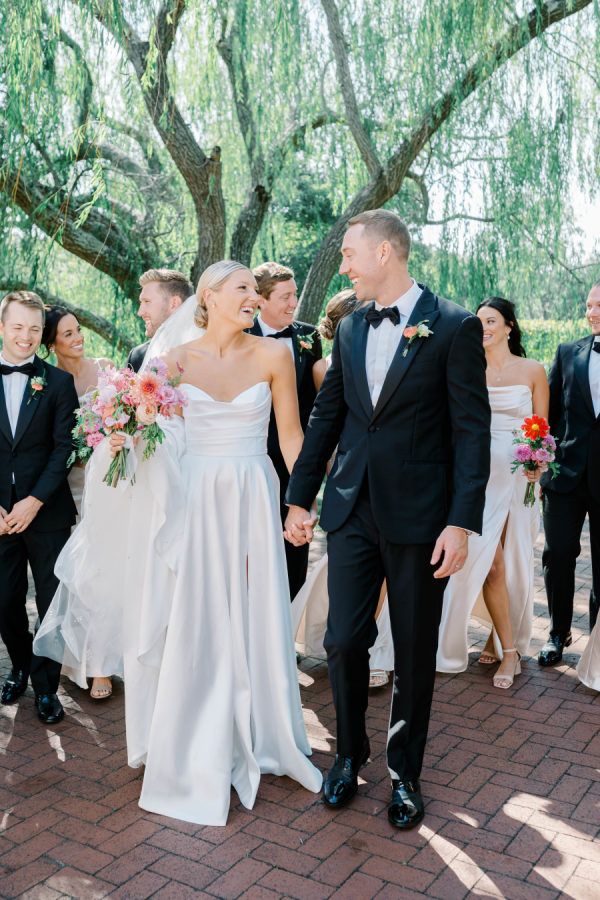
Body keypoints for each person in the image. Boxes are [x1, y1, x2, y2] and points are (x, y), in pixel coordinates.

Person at [71, 261, 322, 826]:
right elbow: (153, 437)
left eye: (255, 290)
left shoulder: (275, 355)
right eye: (243, 289)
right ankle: (199, 729)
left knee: (256, 605)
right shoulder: (174, 362)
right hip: (196, 496)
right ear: (209, 297)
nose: (254, 297)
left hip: (253, 491)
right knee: (201, 610)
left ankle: (262, 730)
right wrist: (124, 435)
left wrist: (301, 503)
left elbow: (291, 436)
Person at [285, 210, 490, 829]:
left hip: (423, 518)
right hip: (352, 508)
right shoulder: (350, 328)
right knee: (342, 639)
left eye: (349, 254)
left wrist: (460, 522)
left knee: (414, 647)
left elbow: (471, 432)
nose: (342, 266)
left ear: (383, 254)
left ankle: (405, 773)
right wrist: (299, 498)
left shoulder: (453, 325)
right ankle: (349, 755)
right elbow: (328, 417)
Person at [436, 298, 549, 687]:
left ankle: (500, 642)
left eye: (491, 321)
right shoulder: (466, 368)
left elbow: (541, 427)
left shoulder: (533, 370)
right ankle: (503, 645)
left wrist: (537, 462)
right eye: (479, 321)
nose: (483, 327)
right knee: (487, 558)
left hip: (517, 478)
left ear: (509, 327)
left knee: (512, 557)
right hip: (476, 476)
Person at [292, 289, 395, 687]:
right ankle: (348, 641)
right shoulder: (325, 366)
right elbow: (329, 418)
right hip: (345, 462)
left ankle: (374, 646)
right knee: (345, 561)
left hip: (386, 467)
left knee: (382, 566)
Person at [0, 291, 78, 724]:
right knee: (4, 600)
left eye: (34, 329)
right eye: (17, 327)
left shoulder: (58, 383)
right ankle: (19, 666)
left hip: (46, 513)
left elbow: (65, 448)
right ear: (2, 327)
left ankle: (47, 688)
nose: (26, 336)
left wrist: (34, 501)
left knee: (52, 604)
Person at [40, 305, 113, 699]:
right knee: (77, 577)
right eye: (67, 334)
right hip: (67, 489)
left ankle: (102, 665)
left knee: (103, 573)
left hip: (108, 486)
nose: (78, 338)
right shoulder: (46, 381)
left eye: (78, 329)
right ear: (52, 344)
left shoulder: (106, 370)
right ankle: (77, 658)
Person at [246, 263, 322, 600]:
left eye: (295, 295)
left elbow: (314, 404)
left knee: (294, 546)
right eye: (285, 297)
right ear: (261, 300)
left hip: (295, 460)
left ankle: (287, 622)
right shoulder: (240, 336)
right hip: (252, 457)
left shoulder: (309, 337)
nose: (294, 303)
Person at [539, 280, 600, 666]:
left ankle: (598, 644)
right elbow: (548, 417)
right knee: (558, 556)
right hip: (564, 477)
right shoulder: (567, 352)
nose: (591, 312)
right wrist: (541, 463)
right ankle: (557, 632)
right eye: (589, 305)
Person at [126, 268, 194, 372]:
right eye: (141, 302)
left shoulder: (207, 357)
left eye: (147, 301)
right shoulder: (136, 357)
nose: (140, 312)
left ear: (173, 304)